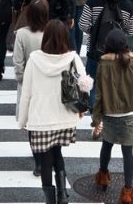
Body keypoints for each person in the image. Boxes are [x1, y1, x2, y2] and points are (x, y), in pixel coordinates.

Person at [18, 19, 87, 204]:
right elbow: (85, 85)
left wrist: (22, 120)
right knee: (58, 154)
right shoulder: (72, 57)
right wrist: (81, 109)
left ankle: (50, 200)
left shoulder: (34, 59)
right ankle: (62, 195)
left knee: (46, 159)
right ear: (65, 37)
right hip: (64, 116)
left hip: (41, 118)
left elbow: (26, 93)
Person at [91, 29, 133, 204]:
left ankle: (102, 175)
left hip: (109, 113)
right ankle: (127, 191)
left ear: (107, 46)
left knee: (107, 145)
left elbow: (99, 94)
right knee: (127, 152)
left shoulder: (103, 64)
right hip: (130, 113)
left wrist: (96, 119)